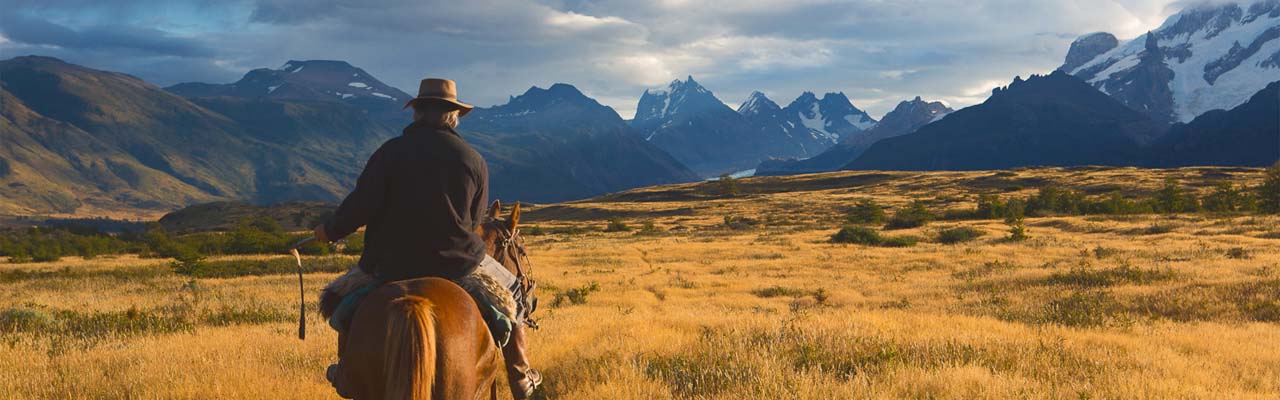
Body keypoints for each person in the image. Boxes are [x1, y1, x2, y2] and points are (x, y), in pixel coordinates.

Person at [314, 78, 542, 398]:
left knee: (336, 300)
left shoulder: (388, 153)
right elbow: (475, 220)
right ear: (454, 115)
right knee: (514, 292)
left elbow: (361, 206)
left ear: (417, 112)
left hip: (387, 266)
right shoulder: (472, 159)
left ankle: (346, 369)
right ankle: (520, 377)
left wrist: (329, 230)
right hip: (458, 266)